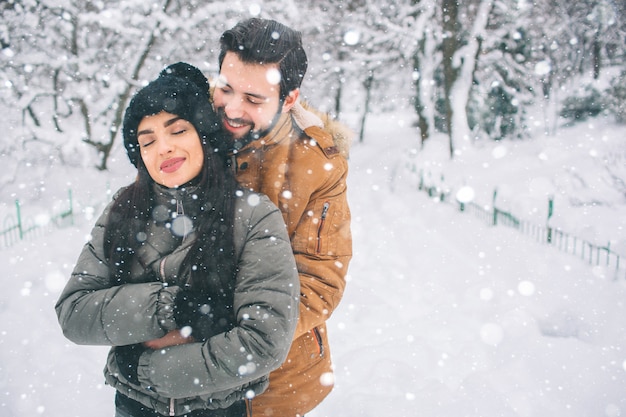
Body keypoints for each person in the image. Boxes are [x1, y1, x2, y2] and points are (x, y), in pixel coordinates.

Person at [55, 62, 300, 417]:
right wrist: (169, 306)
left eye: (177, 131)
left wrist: (145, 369)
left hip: (219, 408)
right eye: (147, 141)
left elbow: (263, 342)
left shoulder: (252, 216)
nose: (164, 149)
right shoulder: (122, 210)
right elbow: (74, 312)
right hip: (133, 408)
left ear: (203, 134)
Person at [211, 18, 353, 416]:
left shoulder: (318, 166)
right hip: (185, 378)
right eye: (226, 88)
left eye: (254, 99)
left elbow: (320, 280)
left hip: (276, 382)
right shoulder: (187, 131)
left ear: (290, 99)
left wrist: (237, 337)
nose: (233, 109)